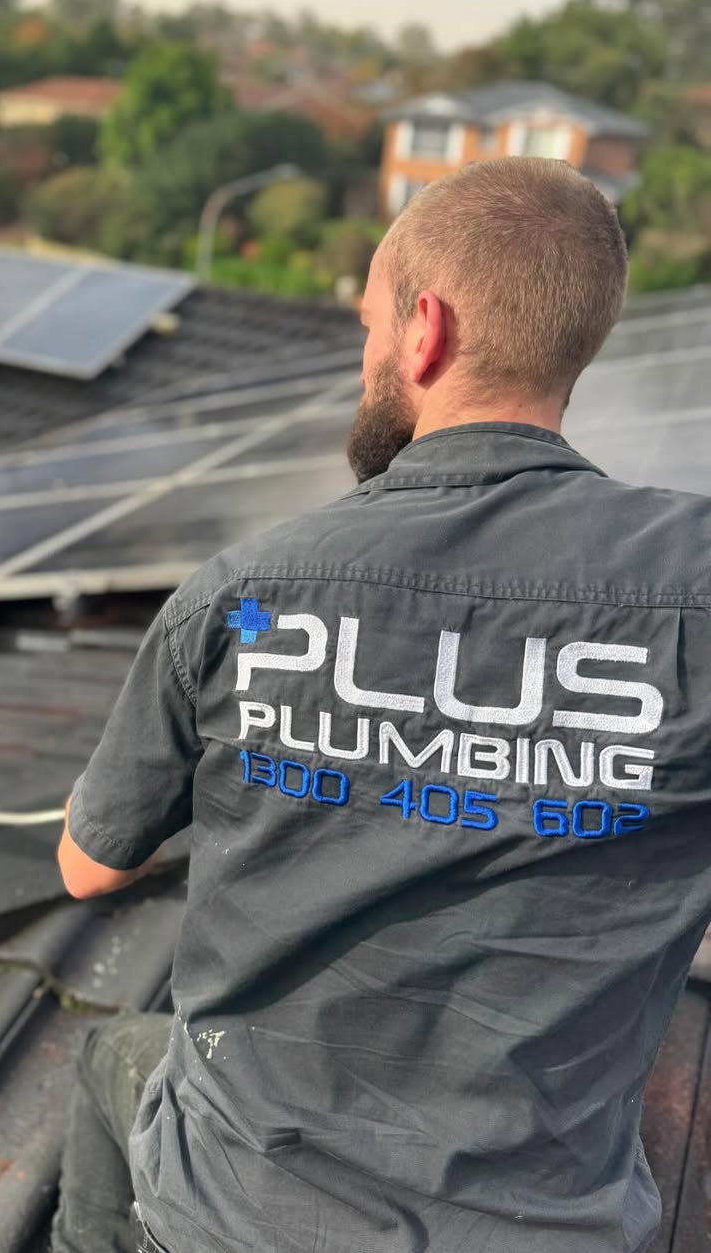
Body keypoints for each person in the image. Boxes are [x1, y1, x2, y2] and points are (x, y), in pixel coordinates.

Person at [51, 157, 711, 1253]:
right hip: (550, 1232)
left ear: (424, 331)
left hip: (236, 1217)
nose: (364, 359)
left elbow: (88, 869)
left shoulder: (244, 589)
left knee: (107, 1057)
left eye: (369, 325)